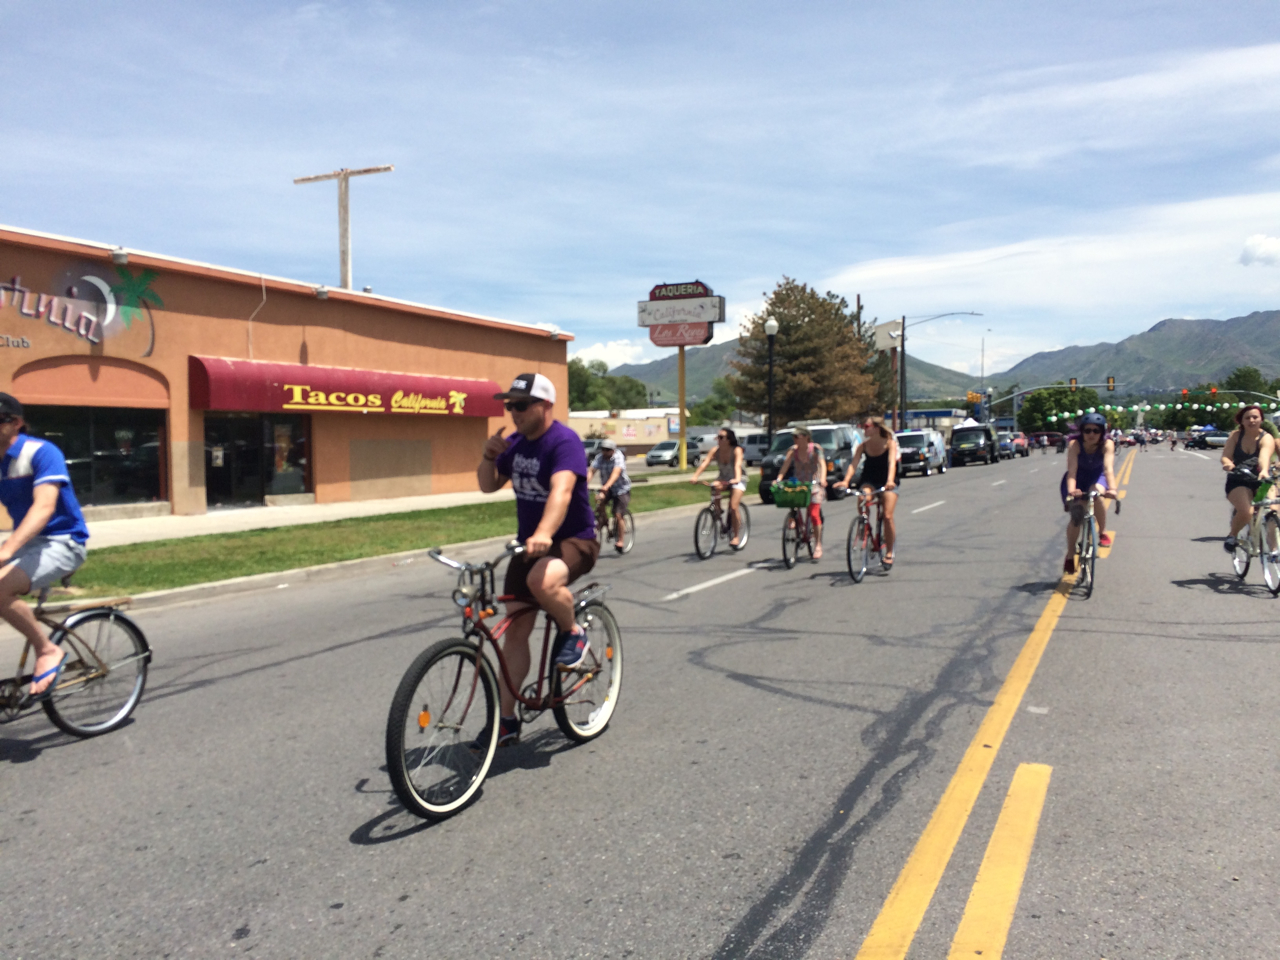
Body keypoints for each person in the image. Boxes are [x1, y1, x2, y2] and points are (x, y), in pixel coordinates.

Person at [477, 373, 599, 746]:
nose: (513, 412)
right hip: (529, 545)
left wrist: (545, 533)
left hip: (573, 541)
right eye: (509, 405)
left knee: (542, 583)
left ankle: (573, 631)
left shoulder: (564, 442)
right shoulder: (514, 446)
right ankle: (507, 720)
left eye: (521, 405)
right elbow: (487, 484)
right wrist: (488, 456)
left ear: (545, 405)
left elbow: (561, 492)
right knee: (515, 630)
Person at [0, 393, 90, 700]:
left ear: (16, 423)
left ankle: (47, 649)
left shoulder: (41, 452)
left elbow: (44, 508)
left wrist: (7, 549)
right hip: (28, 544)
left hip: (63, 542)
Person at [836, 416, 899, 566]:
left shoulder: (890, 444)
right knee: (862, 497)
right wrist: (845, 481)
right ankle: (863, 525)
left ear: (876, 428)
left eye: (866, 426)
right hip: (869, 480)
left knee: (888, 516)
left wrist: (890, 481)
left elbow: (892, 464)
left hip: (887, 480)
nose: (863, 429)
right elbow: (853, 465)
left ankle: (889, 552)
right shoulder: (863, 446)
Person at [1060, 412, 1118, 574]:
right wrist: (1072, 491)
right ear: (1081, 432)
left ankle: (1102, 532)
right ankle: (1070, 555)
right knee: (1077, 515)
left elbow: (1108, 469)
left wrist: (1112, 489)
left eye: (1096, 431)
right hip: (1077, 478)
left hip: (1097, 477)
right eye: (1087, 430)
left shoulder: (1107, 444)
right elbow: (1072, 471)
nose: (1091, 434)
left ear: (1102, 432)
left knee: (1096, 494)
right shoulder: (1075, 445)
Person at [1221, 405, 1276, 554]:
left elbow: (1264, 456)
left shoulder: (1266, 437)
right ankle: (1232, 536)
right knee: (1247, 511)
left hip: (1261, 479)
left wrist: (1264, 470)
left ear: (1261, 420)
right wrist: (1228, 464)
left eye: (1255, 417)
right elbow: (1226, 455)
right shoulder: (1235, 436)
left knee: (1273, 510)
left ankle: (1274, 550)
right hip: (1239, 479)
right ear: (1242, 421)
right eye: (1247, 418)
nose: (1252, 420)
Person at [775, 425, 828, 559]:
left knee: (814, 514)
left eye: (797, 436)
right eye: (793, 437)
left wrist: (822, 479)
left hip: (814, 484)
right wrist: (778, 479)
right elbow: (785, 466)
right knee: (791, 499)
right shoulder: (793, 451)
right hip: (799, 483)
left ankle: (818, 545)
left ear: (806, 437)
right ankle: (794, 519)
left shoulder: (815, 449)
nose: (794, 439)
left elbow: (822, 464)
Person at [689, 427, 746, 546]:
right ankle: (718, 511)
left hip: (738, 478)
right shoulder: (715, 450)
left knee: (734, 506)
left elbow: (737, 465)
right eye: (717, 437)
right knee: (714, 486)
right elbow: (705, 463)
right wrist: (695, 476)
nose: (718, 439)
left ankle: (736, 537)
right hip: (723, 477)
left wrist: (736, 479)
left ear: (729, 439)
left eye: (721, 437)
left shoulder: (736, 450)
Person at [590, 438, 631, 551]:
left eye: (608, 450)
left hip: (621, 489)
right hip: (606, 488)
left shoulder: (618, 457)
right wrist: (584, 484)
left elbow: (616, 473)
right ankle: (604, 520)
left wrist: (606, 486)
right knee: (598, 501)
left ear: (613, 450)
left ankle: (620, 541)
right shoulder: (600, 458)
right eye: (603, 449)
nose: (605, 452)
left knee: (618, 514)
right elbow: (591, 471)